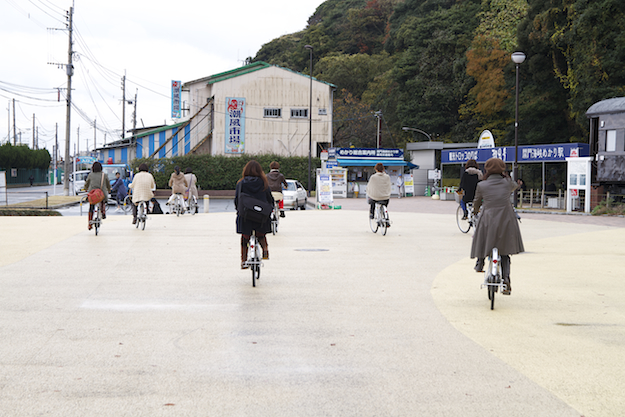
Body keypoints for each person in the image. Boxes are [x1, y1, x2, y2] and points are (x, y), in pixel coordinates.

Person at [470, 158, 524, 295]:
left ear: (486, 169)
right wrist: (507, 177)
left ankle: (480, 262)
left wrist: (475, 212)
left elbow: (476, 202)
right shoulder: (507, 183)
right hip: (506, 218)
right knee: (504, 252)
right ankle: (506, 280)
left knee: (481, 238)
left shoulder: (482, 185)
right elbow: (514, 186)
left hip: (488, 217)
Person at [235, 160, 274, 269]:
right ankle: (265, 249)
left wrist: (238, 210)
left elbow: (237, 200)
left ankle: (243, 260)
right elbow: (269, 199)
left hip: (246, 216)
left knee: (245, 237)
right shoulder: (264, 183)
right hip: (261, 216)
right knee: (261, 234)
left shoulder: (241, 183)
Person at [84, 162, 111, 230]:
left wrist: (85, 188)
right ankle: (103, 212)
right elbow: (108, 184)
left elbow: (87, 183)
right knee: (102, 200)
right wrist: (109, 189)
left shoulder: (90, 175)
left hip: (92, 194)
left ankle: (89, 223)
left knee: (91, 207)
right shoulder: (104, 175)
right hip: (101, 193)